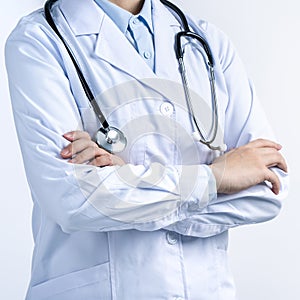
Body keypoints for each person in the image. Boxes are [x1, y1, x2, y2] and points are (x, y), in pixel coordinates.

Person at [5, 0, 288, 299]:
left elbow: (268, 189)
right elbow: (71, 199)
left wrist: (127, 184)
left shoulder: (207, 42)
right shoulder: (38, 40)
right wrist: (214, 179)